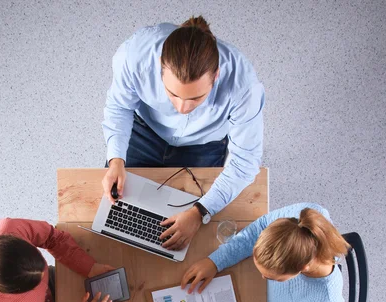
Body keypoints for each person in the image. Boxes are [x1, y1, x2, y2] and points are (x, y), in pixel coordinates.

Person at [102, 16, 264, 251]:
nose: (182, 109)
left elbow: (245, 162)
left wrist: (200, 212)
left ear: (216, 76)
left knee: (191, 239)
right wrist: (116, 159)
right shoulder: (134, 54)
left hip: (204, 145)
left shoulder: (244, 86)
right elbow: (119, 106)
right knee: (118, 217)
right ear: (159, 65)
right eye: (172, 94)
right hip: (145, 131)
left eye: (196, 98)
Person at [181, 203, 350, 302]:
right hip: (260, 297)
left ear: (302, 268)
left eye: (271, 277)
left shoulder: (327, 301)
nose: (262, 277)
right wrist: (215, 261)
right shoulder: (302, 217)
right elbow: (259, 228)